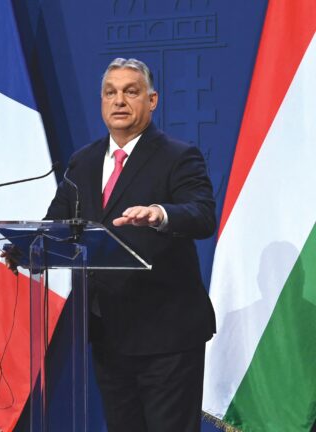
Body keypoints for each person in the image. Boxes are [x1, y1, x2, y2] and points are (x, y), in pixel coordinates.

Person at [45, 58, 216, 431]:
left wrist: (160, 213)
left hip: (167, 333)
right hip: (109, 331)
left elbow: (202, 215)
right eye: (110, 92)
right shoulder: (83, 161)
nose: (119, 100)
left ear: (152, 100)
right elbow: (56, 225)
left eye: (130, 91)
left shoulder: (178, 155)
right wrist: (26, 249)